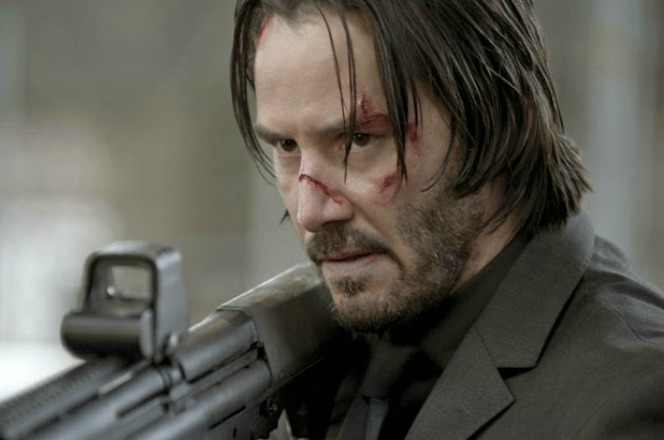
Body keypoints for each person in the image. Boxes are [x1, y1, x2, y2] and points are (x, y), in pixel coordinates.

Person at [230, 1, 664, 439]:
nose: (310, 212)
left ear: (493, 121)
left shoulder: (632, 400)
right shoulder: (328, 355)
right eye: (286, 146)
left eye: (360, 139)